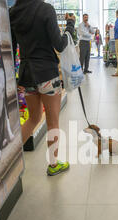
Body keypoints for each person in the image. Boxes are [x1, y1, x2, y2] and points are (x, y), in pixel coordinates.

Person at [10, 0, 76, 176]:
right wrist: (70, 25)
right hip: (47, 73)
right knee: (52, 121)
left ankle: (11, 160)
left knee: (33, 118)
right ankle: (53, 165)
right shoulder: (46, 9)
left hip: (26, 75)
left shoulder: (12, 12)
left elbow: (11, 47)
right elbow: (60, 45)